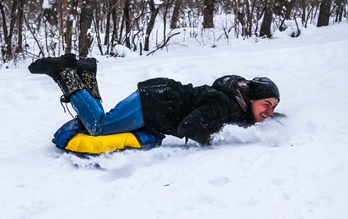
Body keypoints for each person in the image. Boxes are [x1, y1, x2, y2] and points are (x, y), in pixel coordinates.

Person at [28, 54, 280, 152]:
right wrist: (217, 139)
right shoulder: (226, 106)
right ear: (252, 99)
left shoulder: (233, 105)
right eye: (266, 104)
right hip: (155, 102)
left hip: (157, 97)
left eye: (274, 108)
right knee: (98, 126)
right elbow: (189, 127)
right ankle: (65, 73)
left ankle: (86, 74)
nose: (269, 111)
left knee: (102, 120)